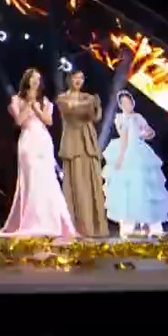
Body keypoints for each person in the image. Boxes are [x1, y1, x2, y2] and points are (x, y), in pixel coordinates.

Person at [0, 68, 77, 238]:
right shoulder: (17, 100)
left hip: (43, 141)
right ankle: (30, 220)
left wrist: (37, 108)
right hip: (27, 141)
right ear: (27, 80)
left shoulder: (44, 101)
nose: (36, 81)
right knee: (30, 179)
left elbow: (48, 121)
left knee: (47, 179)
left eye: (38, 79)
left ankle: (50, 220)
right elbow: (19, 121)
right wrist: (28, 104)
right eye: (33, 78)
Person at [103, 90, 168, 238]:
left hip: (140, 150)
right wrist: (120, 157)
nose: (127, 105)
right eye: (124, 103)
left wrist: (145, 134)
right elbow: (124, 137)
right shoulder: (120, 118)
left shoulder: (138, 117)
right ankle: (128, 225)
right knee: (126, 189)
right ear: (120, 105)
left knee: (144, 187)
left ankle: (151, 224)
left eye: (129, 102)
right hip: (127, 152)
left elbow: (150, 132)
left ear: (132, 103)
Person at [56, 70, 109, 237]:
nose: (78, 81)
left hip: (88, 141)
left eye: (81, 78)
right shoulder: (63, 98)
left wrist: (96, 106)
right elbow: (72, 114)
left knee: (93, 183)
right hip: (73, 143)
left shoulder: (87, 97)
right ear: (69, 79)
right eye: (75, 78)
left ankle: (96, 227)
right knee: (77, 184)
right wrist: (88, 105)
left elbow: (95, 117)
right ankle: (79, 227)